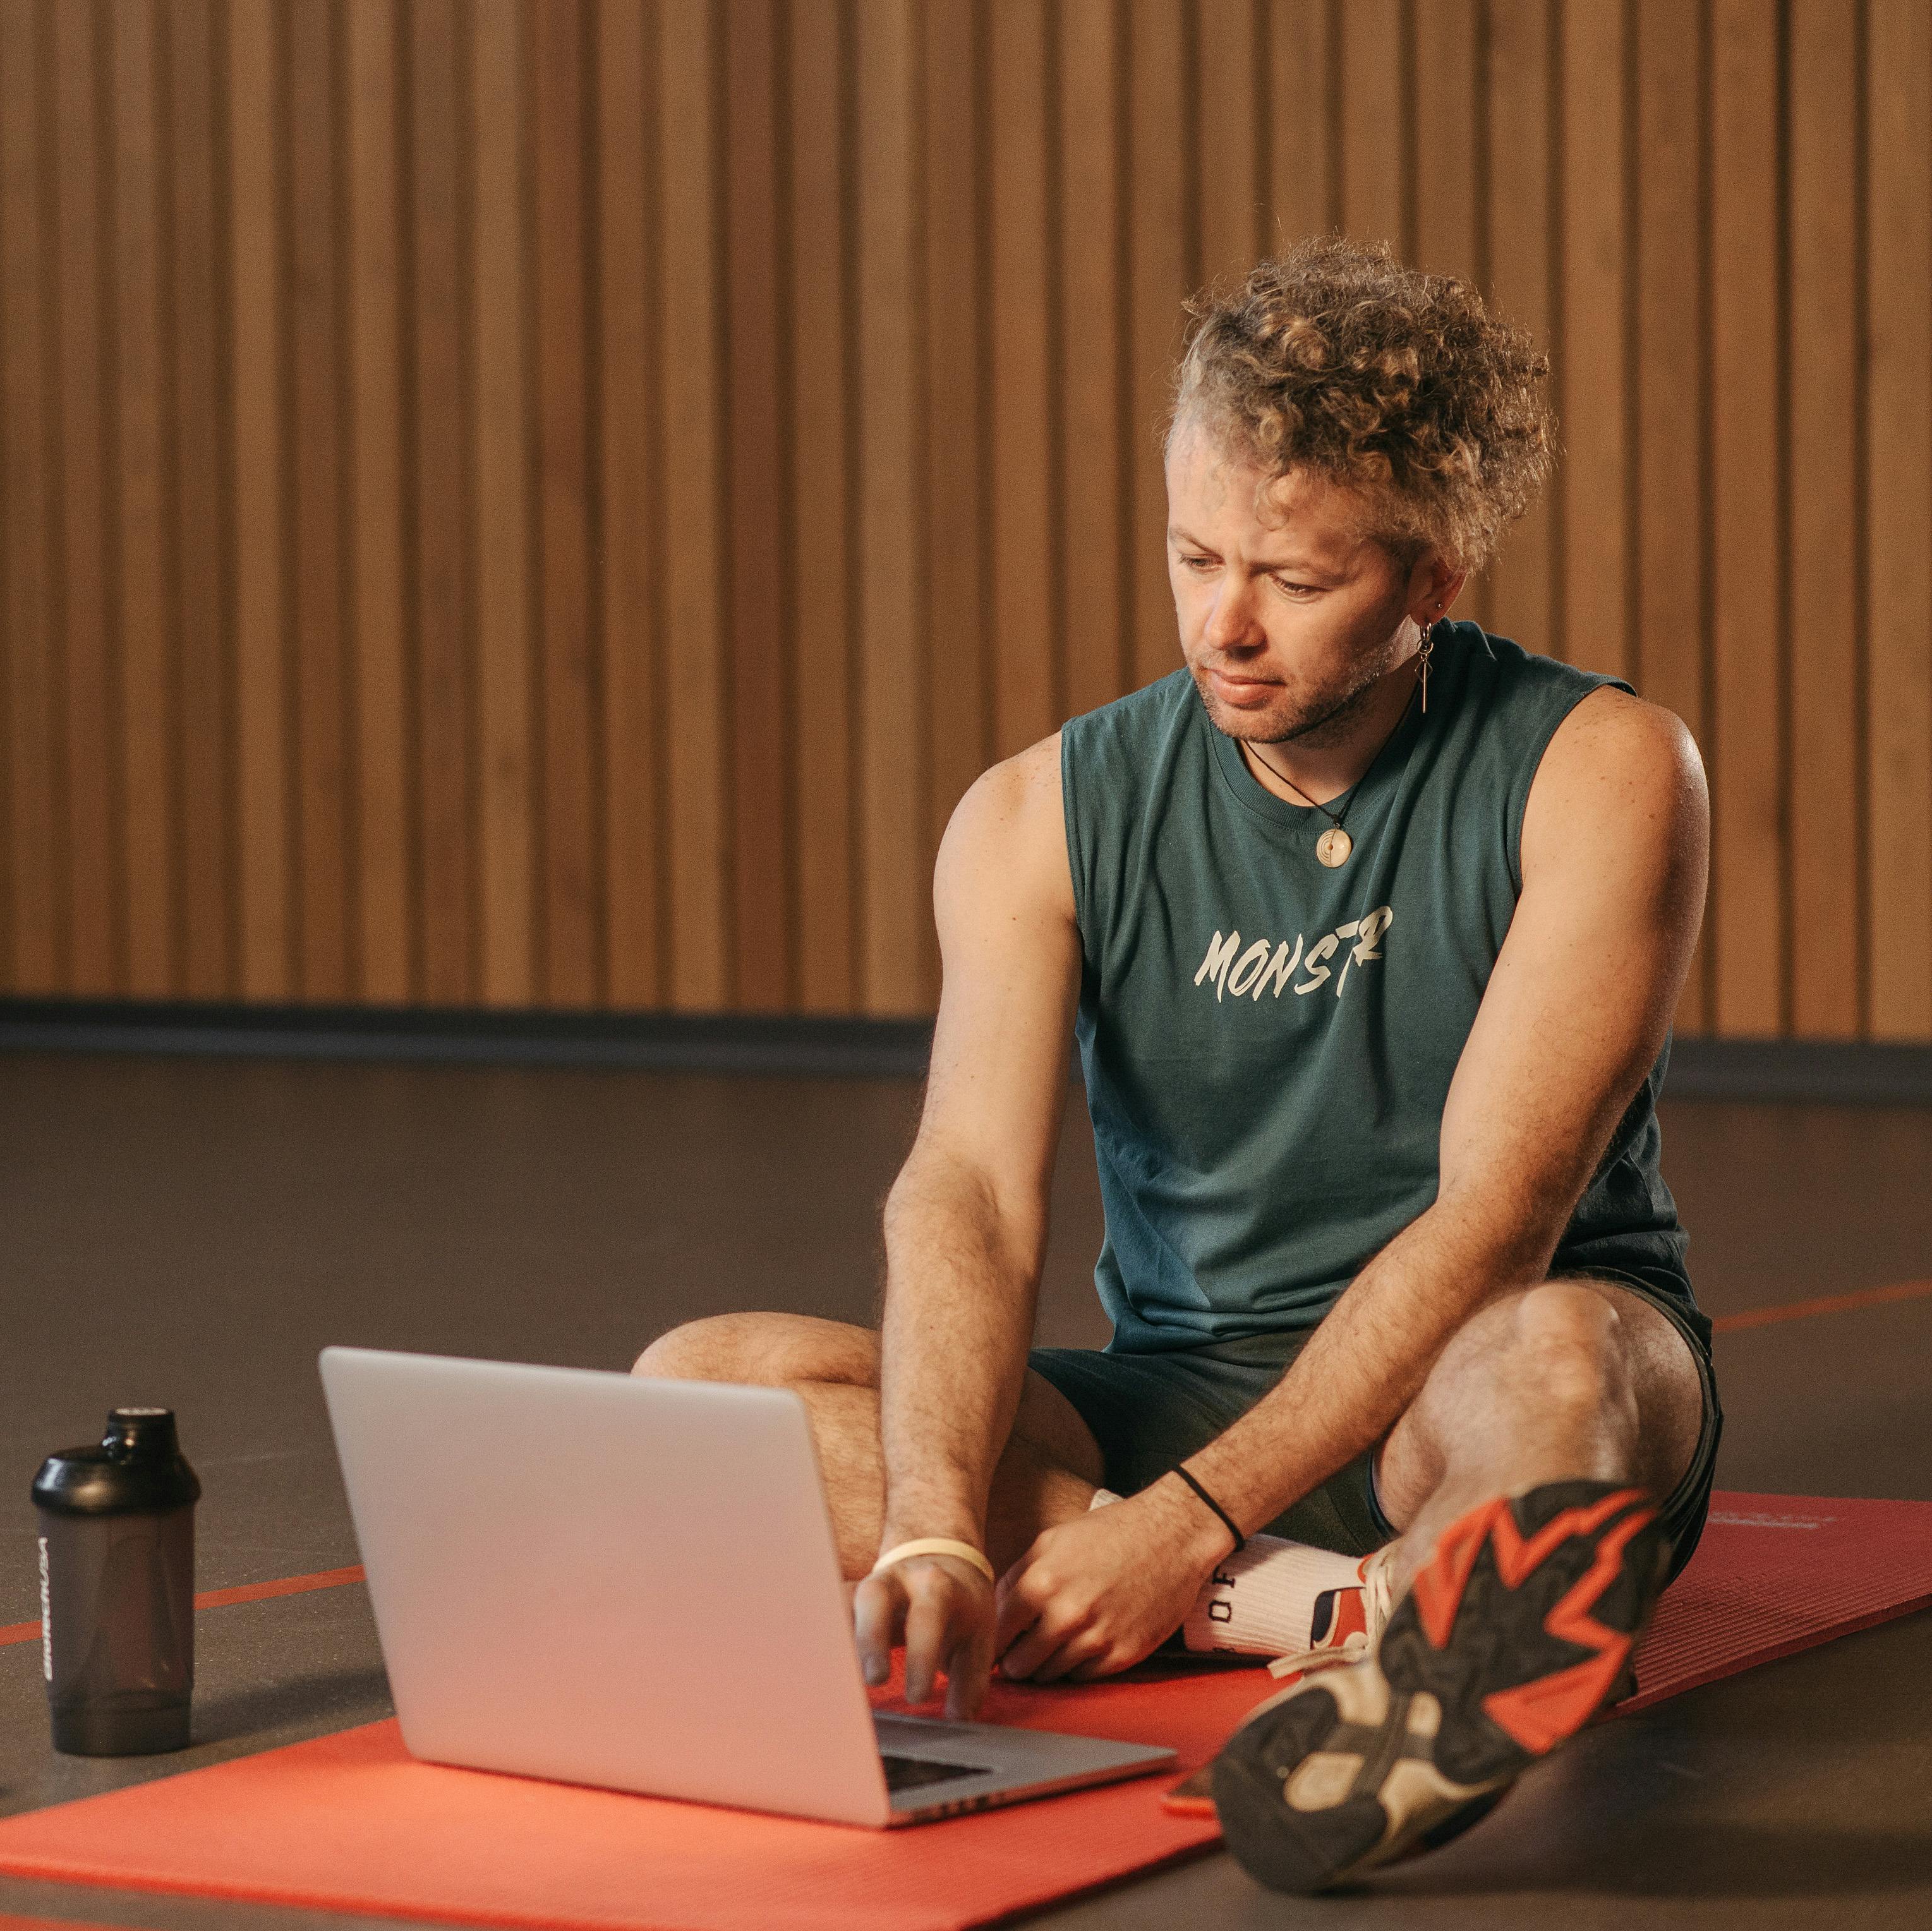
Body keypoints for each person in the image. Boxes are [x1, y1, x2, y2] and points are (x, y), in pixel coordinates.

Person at [634, 236, 1718, 1893]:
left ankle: (1443, 1585)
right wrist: (932, 1512)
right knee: (696, 1385)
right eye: (1191, 552)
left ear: (1432, 574)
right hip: (1183, 1383)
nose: (1225, 620)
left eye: (1292, 577)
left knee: (1569, 1354)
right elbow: (973, 1196)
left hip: (1474, 1378)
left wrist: (1182, 1521)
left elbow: (1490, 1220)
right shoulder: (1031, 816)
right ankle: (1356, 1616)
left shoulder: (1603, 768)